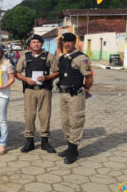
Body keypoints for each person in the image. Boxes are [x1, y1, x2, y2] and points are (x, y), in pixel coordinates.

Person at [15, 34, 59, 154]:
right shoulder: (25, 57)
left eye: (38, 42)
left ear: (42, 44)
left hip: (44, 89)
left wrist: (47, 77)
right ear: (30, 45)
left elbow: (57, 72)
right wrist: (26, 79)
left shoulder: (49, 56)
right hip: (30, 90)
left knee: (45, 115)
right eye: (33, 42)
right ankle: (29, 141)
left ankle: (45, 141)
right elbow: (17, 73)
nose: (36, 44)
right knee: (29, 115)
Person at [57, 33, 93, 164]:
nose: (67, 44)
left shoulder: (82, 58)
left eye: (70, 42)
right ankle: (70, 147)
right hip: (63, 94)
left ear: (75, 43)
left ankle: (73, 151)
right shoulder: (62, 58)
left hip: (76, 94)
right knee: (65, 121)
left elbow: (89, 77)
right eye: (65, 42)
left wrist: (86, 90)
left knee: (75, 121)